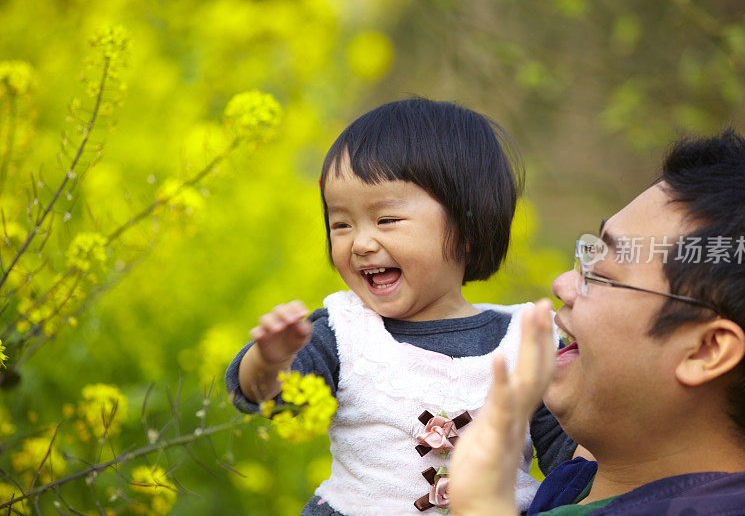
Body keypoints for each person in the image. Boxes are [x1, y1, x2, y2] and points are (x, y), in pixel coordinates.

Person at [225, 98, 576, 515]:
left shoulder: (528, 338)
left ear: (467, 229)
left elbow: (571, 465)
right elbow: (264, 396)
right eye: (341, 224)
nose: (361, 243)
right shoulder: (344, 331)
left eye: (386, 220)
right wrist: (269, 360)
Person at [449, 129, 745, 515]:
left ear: (705, 350)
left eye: (602, 275)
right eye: (586, 255)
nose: (562, 284)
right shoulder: (595, 478)